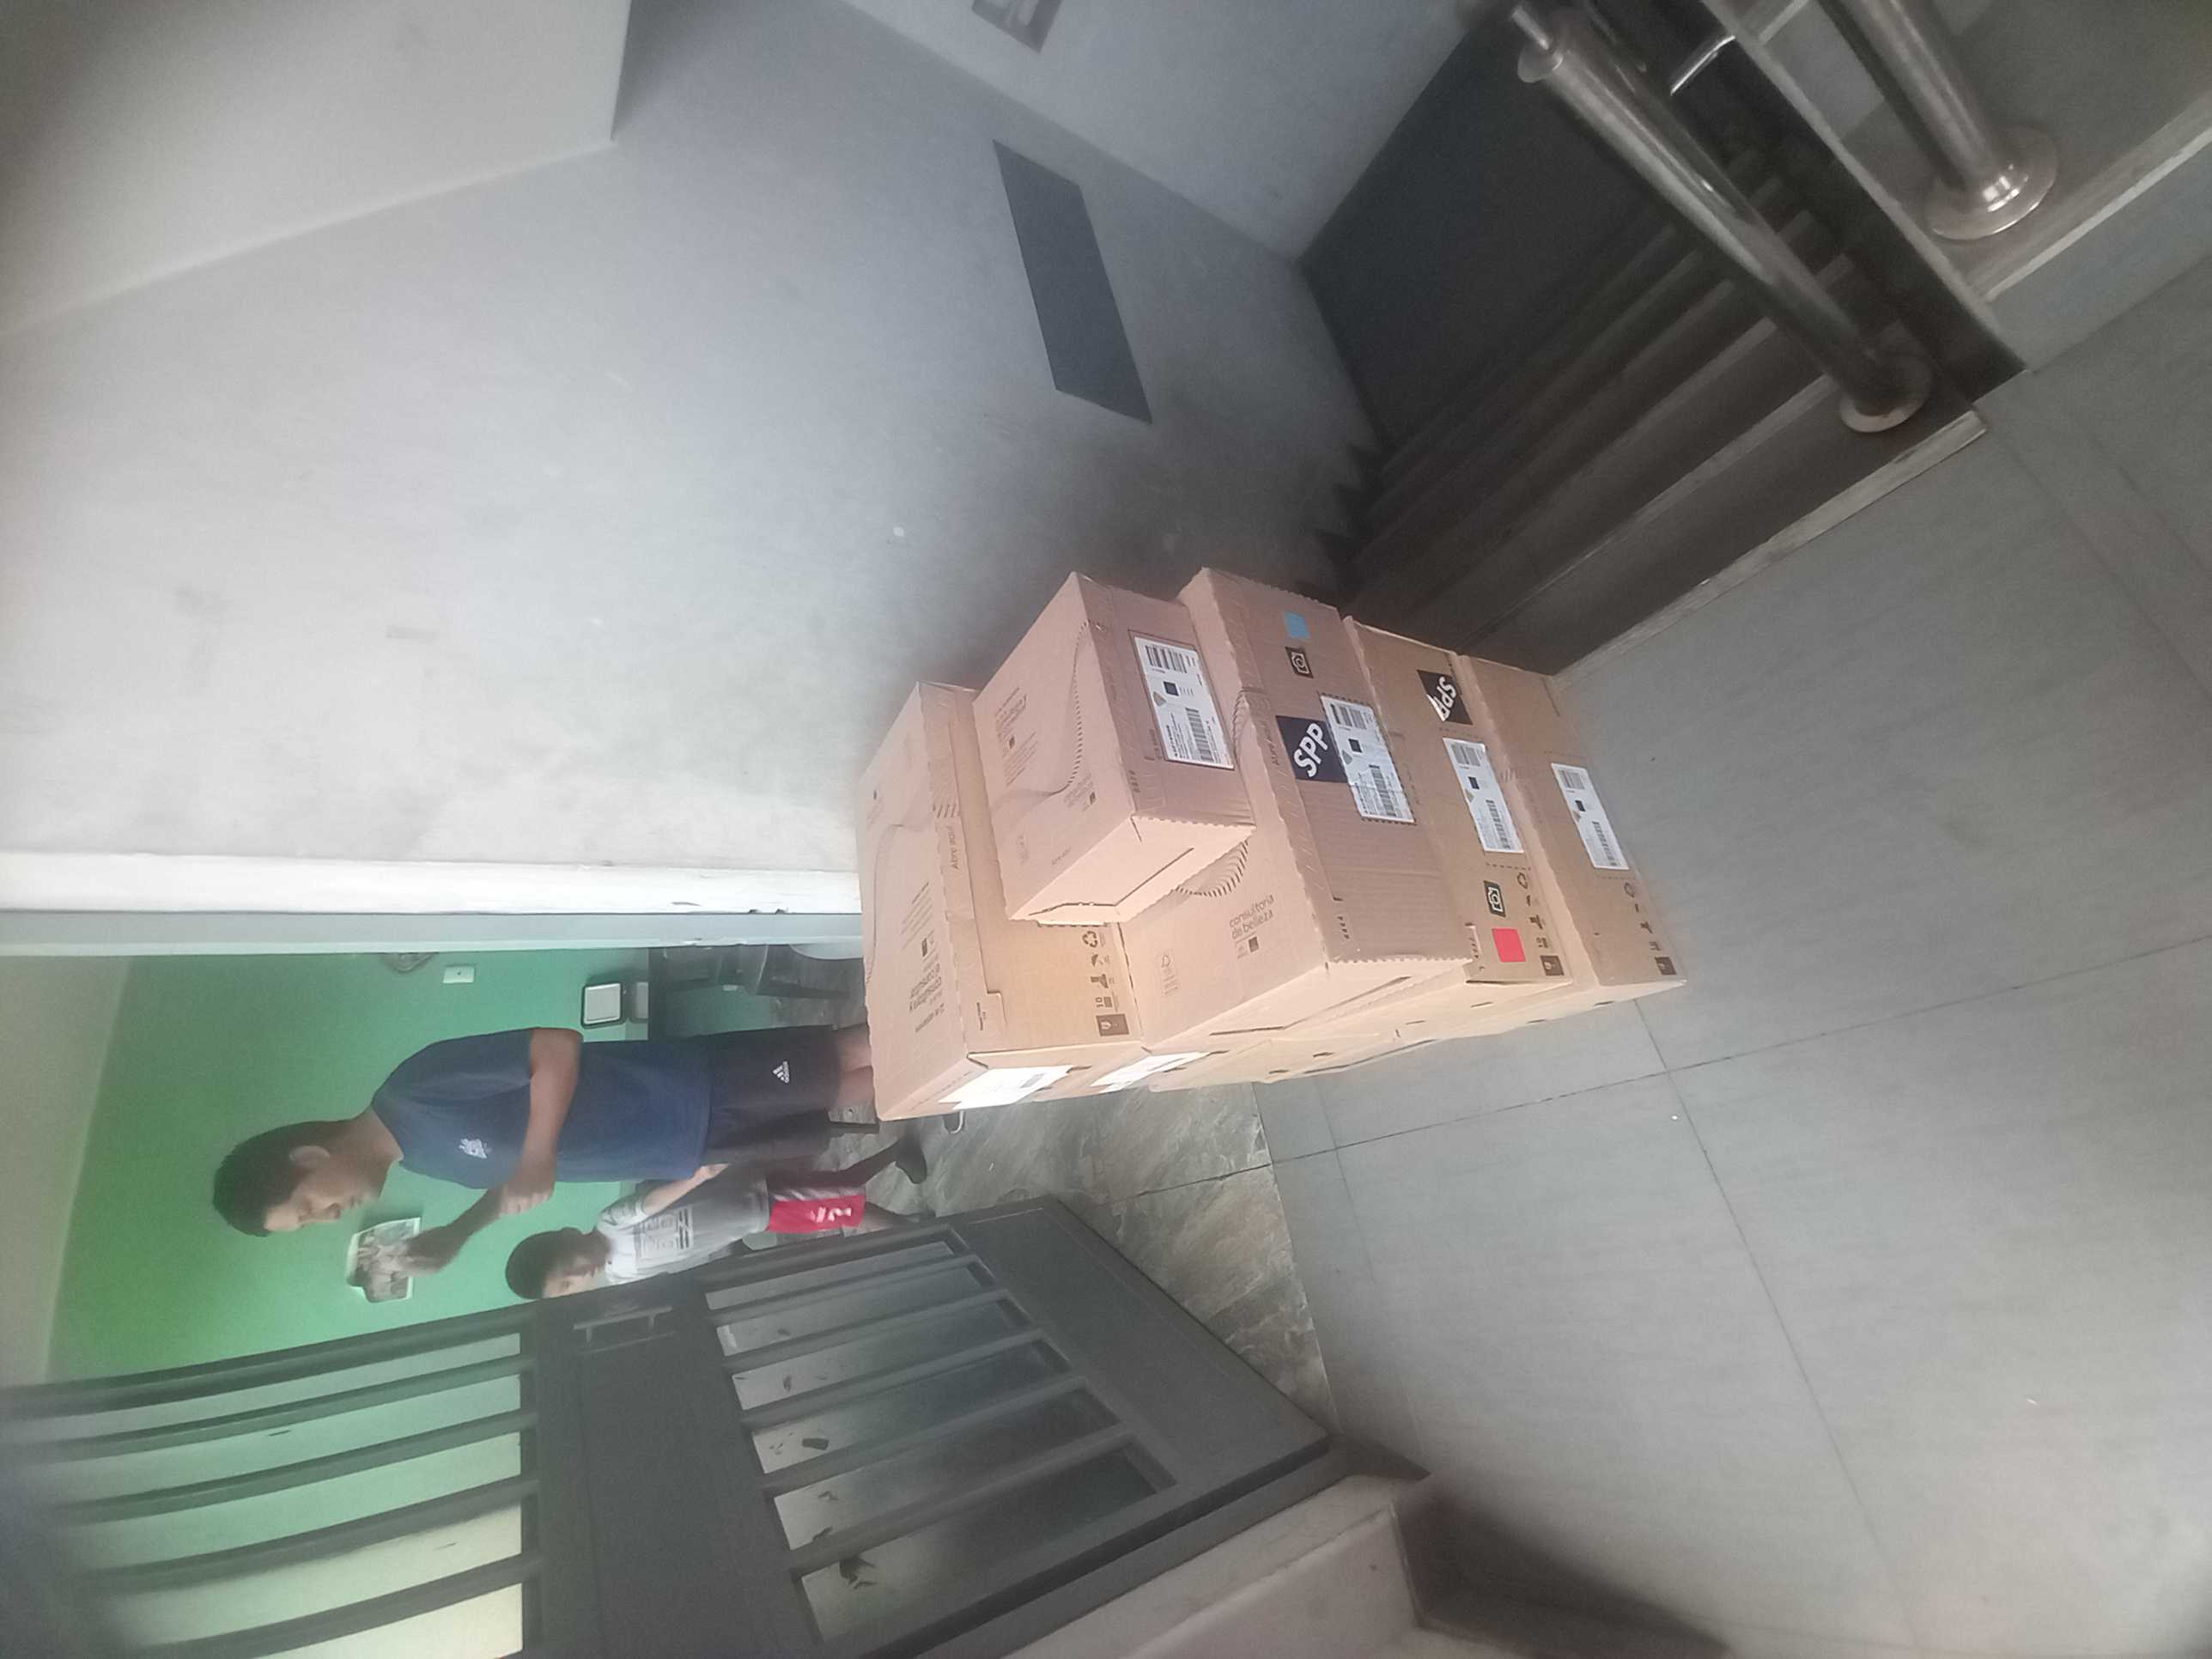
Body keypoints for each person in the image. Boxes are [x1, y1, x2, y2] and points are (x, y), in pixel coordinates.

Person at [210, 1024, 876, 1273]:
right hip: (685, 1143)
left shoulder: (414, 1090)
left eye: (309, 1207)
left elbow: (553, 1049)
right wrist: (459, 1234)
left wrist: (536, 1155)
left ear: (309, 1159)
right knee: (862, 1094)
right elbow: (515, 1182)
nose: (331, 1217)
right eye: (313, 1224)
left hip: (683, 1087)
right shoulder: (422, 1159)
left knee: (846, 1059)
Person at [506, 1138, 928, 1298]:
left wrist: (698, 1177)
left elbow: (652, 1202)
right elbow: (681, 1264)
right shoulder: (621, 1278)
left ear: (566, 1235)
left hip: (751, 1195)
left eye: (568, 1265)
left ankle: (923, 1237)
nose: (580, 1274)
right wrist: (727, 1253)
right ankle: (899, 1152)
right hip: (756, 1217)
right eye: (569, 1285)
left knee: (846, 1209)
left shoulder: (610, 1222)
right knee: (837, 1193)